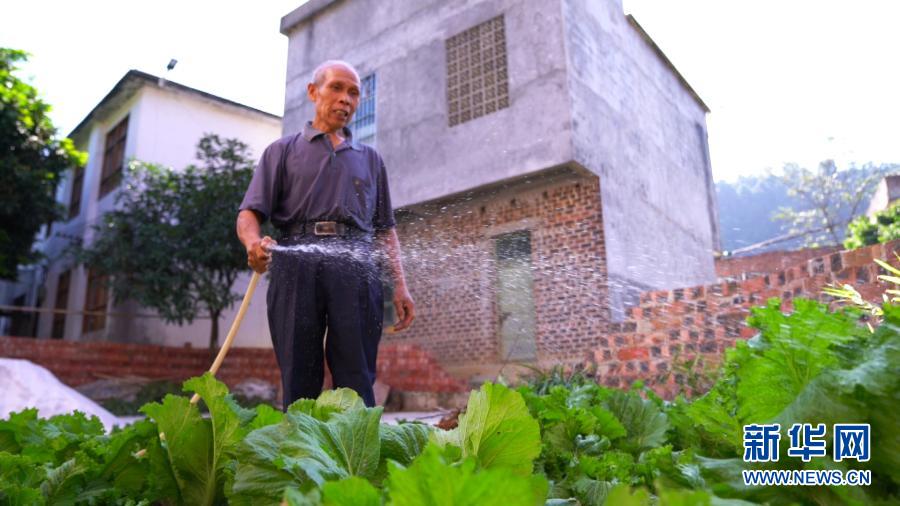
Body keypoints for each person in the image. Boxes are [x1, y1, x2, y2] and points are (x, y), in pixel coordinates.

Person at [236, 60, 415, 409]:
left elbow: (385, 229)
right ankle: (300, 442)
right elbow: (249, 213)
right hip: (295, 264)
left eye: (354, 93)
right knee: (299, 375)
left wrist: (401, 285)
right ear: (313, 92)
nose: (345, 99)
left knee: (357, 375)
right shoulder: (281, 152)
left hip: (357, 264)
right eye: (336, 88)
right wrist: (253, 243)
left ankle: (356, 442)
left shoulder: (371, 159)